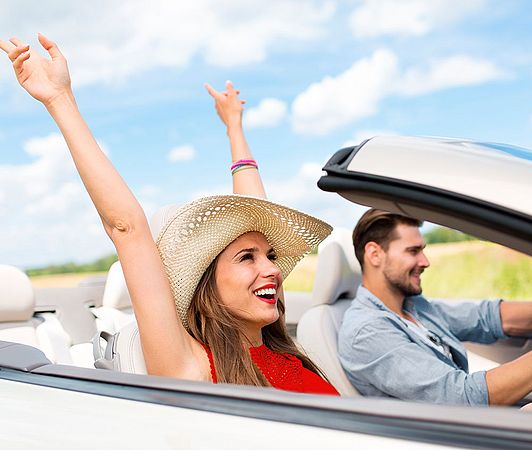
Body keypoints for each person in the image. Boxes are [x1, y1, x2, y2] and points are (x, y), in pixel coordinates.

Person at [1, 34, 339, 395]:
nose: (272, 269)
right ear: (205, 281)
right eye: (247, 257)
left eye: (269, 255)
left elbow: (257, 206)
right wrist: (59, 99)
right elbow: (127, 227)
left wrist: (234, 128)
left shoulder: (276, 345)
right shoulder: (193, 366)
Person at [338, 208, 532, 406]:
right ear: (375, 254)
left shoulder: (412, 307)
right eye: (413, 251)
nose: (425, 261)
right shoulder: (368, 331)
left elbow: (489, 318)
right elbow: (460, 397)